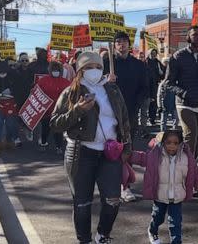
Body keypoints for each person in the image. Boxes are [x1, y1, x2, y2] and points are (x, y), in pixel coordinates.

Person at [50, 51, 132, 244]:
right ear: (80, 70)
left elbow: (125, 121)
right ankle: (84, 240)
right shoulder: (71, 92)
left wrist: (126, 149)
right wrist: (78, 110)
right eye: (88, 67)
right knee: (82, 203)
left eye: (97, 67)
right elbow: (55, 123)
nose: (94, 71)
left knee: (113, 200)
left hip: (110, 154)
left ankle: (102, 235)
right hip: (80, 153)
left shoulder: (112, 89)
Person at [130, 131, 198, 244]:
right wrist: (126, 153)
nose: (172, 146)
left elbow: (194, 171)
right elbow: (141, 158)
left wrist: (196, 183)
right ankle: (153, 230)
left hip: (177, 196)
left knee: (175, 222)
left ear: (181, 144)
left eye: (175, 143)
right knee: (158, 217)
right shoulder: (155, 155)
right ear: (163, 143)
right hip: (160, 195)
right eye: (168, 142)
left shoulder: (186, 157)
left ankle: (176, 241)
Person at [104, 31, 148, 202]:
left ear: (129, 45)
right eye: (118, 42)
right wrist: (107, 80)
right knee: (108, 149)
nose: (121, 45)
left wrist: (135, 106)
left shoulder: (138, 65)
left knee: (125, 149)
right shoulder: (106, 63)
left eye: (124, 42)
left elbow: (144, 88)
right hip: (108, 113)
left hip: (129, 113)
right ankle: (109, 183)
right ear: (114, 45)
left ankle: (124, 186)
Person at [164, 26, 198, 160]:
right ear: (188, 37)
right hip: (185, 104)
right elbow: (168, 83)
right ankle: (185, 167)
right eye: (194, 34)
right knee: (191, 137)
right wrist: (184, 94)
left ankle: (192, 166)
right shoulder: (178, 57)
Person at [35, 61, 71, 154]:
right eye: (54, 70)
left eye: (58, 70)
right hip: (46, 110)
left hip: (59, 111)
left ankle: (58, 147)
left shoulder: (66, 82)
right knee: (45, 128)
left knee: (58, 130)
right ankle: (43, 143)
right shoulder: (43, 80)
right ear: (50, 70)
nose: (56, 71)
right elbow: (36, 92)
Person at [146, 49, 164, 126]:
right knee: (146, 102)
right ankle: (145, 118)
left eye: (154, 53)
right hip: (146, 86)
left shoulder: (158, 63)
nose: (153, 55)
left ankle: (152, 119)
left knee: (154, 103)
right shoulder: (145, 62)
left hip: (155, 85)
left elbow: (163, 72)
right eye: (152, 53)